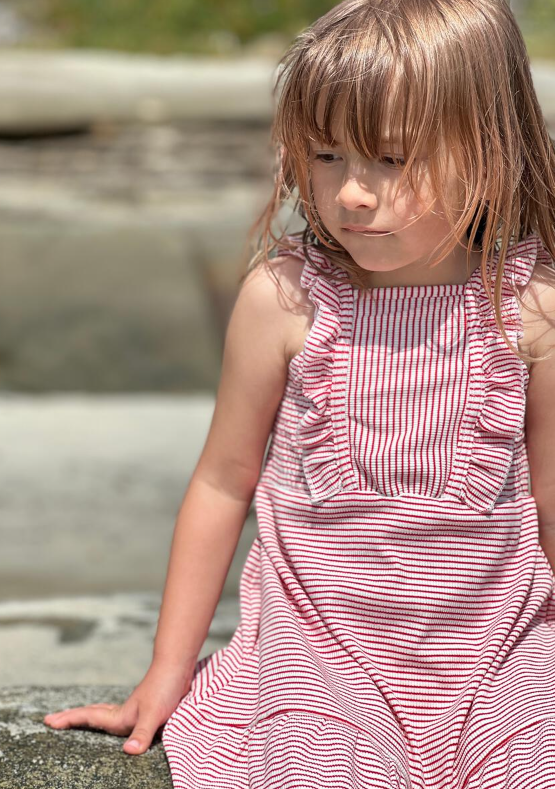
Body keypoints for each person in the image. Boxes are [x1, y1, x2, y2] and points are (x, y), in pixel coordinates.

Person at [43, 0, 555, 786]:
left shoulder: (529, 309)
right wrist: (167, 669)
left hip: (497, 652)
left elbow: (549, 501)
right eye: (326, 155)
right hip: (320, 657)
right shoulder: (285, 300)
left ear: (491, 150)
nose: (351, 193)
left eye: (391, 158)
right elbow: (223, 482)